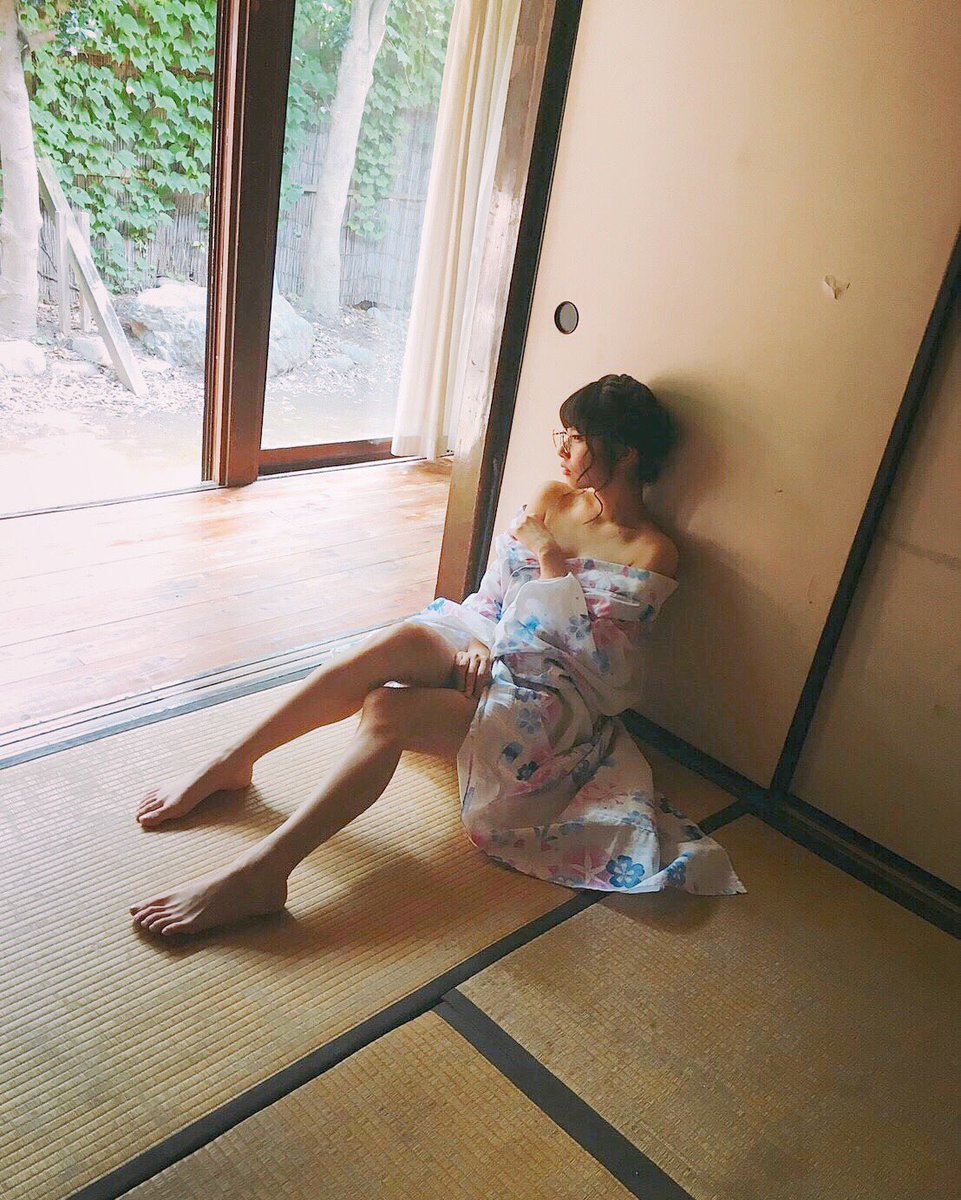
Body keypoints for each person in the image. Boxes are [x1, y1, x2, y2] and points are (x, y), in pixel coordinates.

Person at [130, 374, 745, 937]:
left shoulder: (652, 551)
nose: (562, 447)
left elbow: (600, 669)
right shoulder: (555, 499)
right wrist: (477, 641)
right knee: (397, 643)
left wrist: (550, 560)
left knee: (387, 711)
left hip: (552, 698)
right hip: (487, 639)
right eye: (563, 432)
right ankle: (233, 761)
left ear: (627, 454)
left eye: (578, 437)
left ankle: (263, 873)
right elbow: (496, 596)